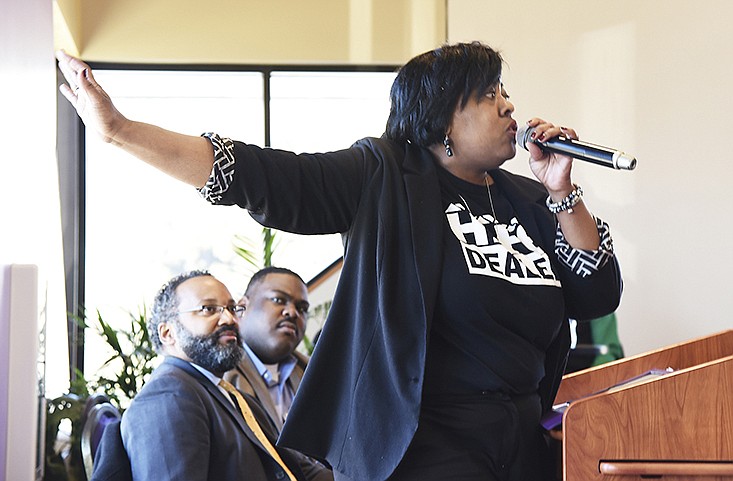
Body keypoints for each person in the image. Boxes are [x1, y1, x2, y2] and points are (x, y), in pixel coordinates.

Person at [57, 41, 623, 481]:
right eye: (490, 94)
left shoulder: (528, 198)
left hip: (524, 439)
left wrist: (562, 192)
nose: (510, 106)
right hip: (427, 446)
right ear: (444, 120)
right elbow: (263, 175)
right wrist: (121, 132)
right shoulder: (384, 177)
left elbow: (598, 295)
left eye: (505, 91)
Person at [114, 270, 309, 480]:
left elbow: (295, 466)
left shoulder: (229, 395)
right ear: (168, 333)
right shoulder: (167, 395)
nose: (229, 318)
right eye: (208, 309)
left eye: (232, 309)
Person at [224, 266, 333, 480]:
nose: (292, 312)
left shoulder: (317, 374)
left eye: (302, 308)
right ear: (242, 308)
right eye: (278, 300)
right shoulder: (221, 379)